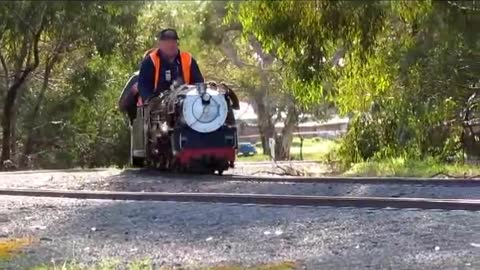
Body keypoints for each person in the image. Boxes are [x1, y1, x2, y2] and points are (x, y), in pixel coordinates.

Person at [137, 28, 204, 103]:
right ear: (160, 44)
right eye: (167, 42)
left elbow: (199, 82)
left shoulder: (188, 59)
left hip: (184, 102)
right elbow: (143, 86)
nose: (171, 45)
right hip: (157, 105)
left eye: (173, 42)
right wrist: (151, 100)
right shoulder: (150, 61)